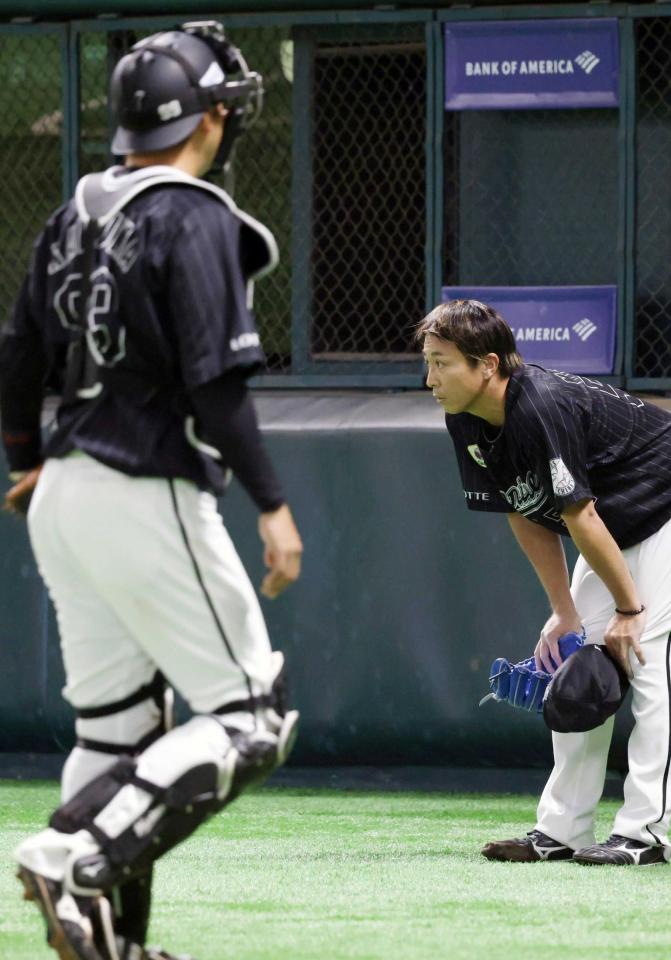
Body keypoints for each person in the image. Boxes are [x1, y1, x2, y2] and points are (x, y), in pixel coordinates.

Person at [0, 22, 303, 959]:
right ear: (210, 119)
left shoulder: (72, 213)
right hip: (143, 486)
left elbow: (17, 358)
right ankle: (69, 856)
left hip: (61, 492)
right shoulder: (195, 213)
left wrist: (23, 460)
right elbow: (215, 386)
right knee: (250, 718)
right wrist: (271, 502)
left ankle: (110, 941)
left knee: (119, 730)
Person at [417, 299, 671, 866]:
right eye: (428, 362)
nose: (431, 379)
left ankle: (644, 834)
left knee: (649, 657)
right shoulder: (465, 418)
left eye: (442, 363)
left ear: (487, 364)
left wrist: (630, 609)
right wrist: (564, 612)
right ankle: (563, 829)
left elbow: (580, 517)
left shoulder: (538, 406)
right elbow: (522, 510)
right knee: (577, 664)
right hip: (616, 519)